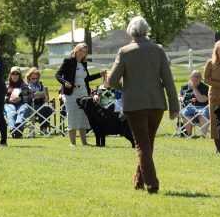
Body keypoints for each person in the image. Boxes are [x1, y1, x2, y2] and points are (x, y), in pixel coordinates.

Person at [107, 17, 178, 193]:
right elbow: (168, 80)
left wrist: (122, 86)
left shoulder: (124, 51)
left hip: (134, 105)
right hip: (156, 104)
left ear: (130, 31)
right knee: (147, 144)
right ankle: (138, 181)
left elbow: (112, 79)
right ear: (146, 30)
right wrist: (174, 105)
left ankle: (152, 184)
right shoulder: (158, 50)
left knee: (142, 145)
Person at [55, 42, 106, 146]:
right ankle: (73, 143)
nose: (82, 53)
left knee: (83, 117)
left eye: (84, 52)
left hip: (83, 92)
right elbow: (58, 75)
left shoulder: (84, 64)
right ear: (76, 50)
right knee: (72, 116)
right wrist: (64, 82)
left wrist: (99, 75)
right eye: (80, 50)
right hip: (71, 93)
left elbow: (87, 78)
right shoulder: (68, 61)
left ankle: (84, 143)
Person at [178, 70, 210, 137]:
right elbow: (179, 96)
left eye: (198, 77)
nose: (195, 78)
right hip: (188, 107)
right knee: (185, 114)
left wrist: (194, 88)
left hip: (202, 107)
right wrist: (181, 98)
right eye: (194, 77)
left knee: (203, 114)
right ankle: (189, 135)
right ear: (190, 78)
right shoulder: (184, 86)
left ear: (200, 79)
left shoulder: (205, 87)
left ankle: (203, 136)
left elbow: (201, 100)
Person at [5, 66, 33, 138]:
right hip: (9, 104)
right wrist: (9, 99)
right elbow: (0, 97)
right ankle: (14, 129)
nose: (15, 76)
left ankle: (18, 126)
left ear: (19, 75)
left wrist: (21, 98)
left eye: (17, 74)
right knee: (11, 111)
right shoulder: (6, 85)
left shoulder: (25, 85)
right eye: (13, 74)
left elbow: (31, 96)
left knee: (23, 109)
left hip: (22, 103)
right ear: (10, 75)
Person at [25, 67, 53, 135]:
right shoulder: (25, 85)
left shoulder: (40, 84)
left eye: (36, 78)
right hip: (29, 105)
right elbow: (25, 96)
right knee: (42, 109)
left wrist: (45, 97)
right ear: (29, 77)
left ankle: (43, 129)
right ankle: (41, 129)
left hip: (40, 104)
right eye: (33, 78)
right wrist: (33, 95)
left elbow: (45, 96)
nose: (35, 80)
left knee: (48, 109)